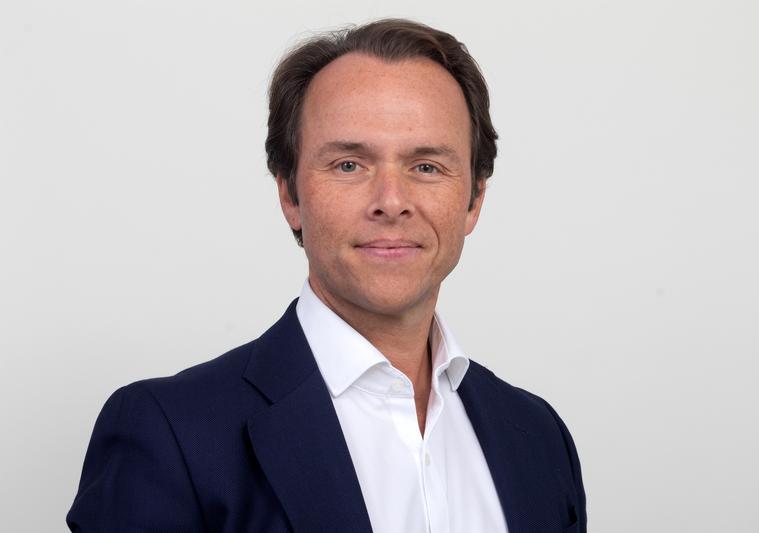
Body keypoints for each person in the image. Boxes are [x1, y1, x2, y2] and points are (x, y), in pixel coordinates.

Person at [67, 19, 586, 533]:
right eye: (348, 165)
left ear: (474, 199)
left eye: (426, 166)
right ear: (290, 195)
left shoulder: (539, 438)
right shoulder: (169, 434)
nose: (391, 202)